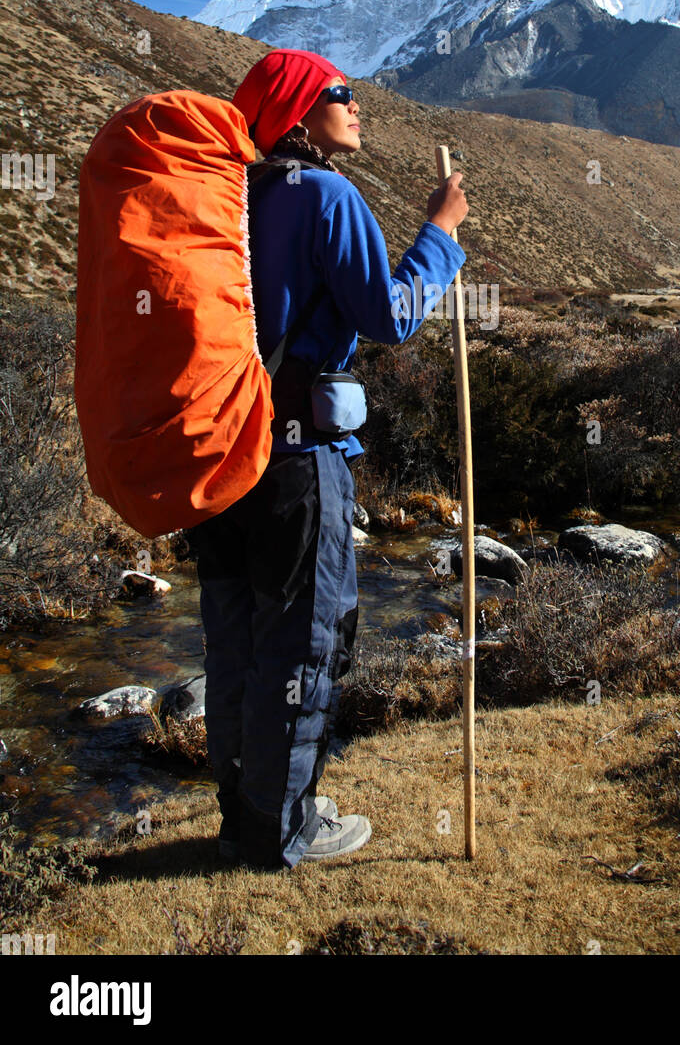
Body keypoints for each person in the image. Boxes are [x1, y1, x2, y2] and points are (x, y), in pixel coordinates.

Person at [183, 48, 469, 870]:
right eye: (339, 94)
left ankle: (244, 816)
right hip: (301, 462)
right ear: (300, 113)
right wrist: (440, 235)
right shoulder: (329, 197)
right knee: (304, 640)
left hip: (226, 455)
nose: (356, 106)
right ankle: (287, 829)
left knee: (234, 642)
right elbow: (387, 315)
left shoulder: (226, 197)